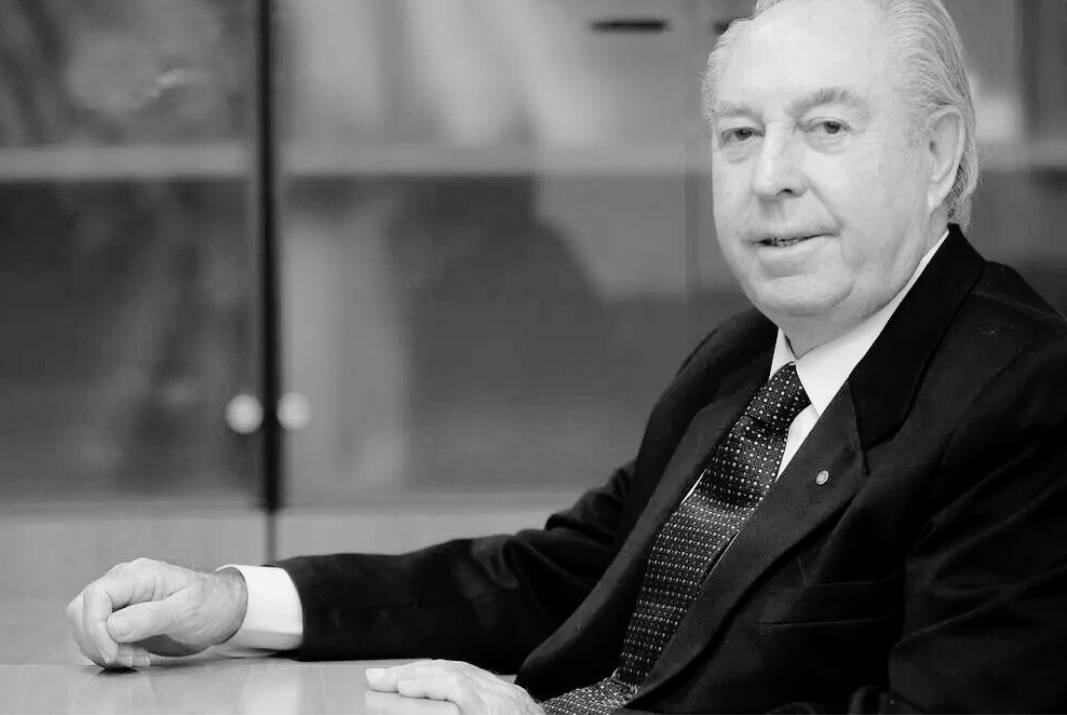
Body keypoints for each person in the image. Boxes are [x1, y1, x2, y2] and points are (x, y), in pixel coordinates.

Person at [67, 0, 1067, 711]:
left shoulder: (1022, 395)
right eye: (737, 133)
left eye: (826, 126)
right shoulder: (739, 362)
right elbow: (561, 577)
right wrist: (237, 601)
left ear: (937, 155)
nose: (768, 177)